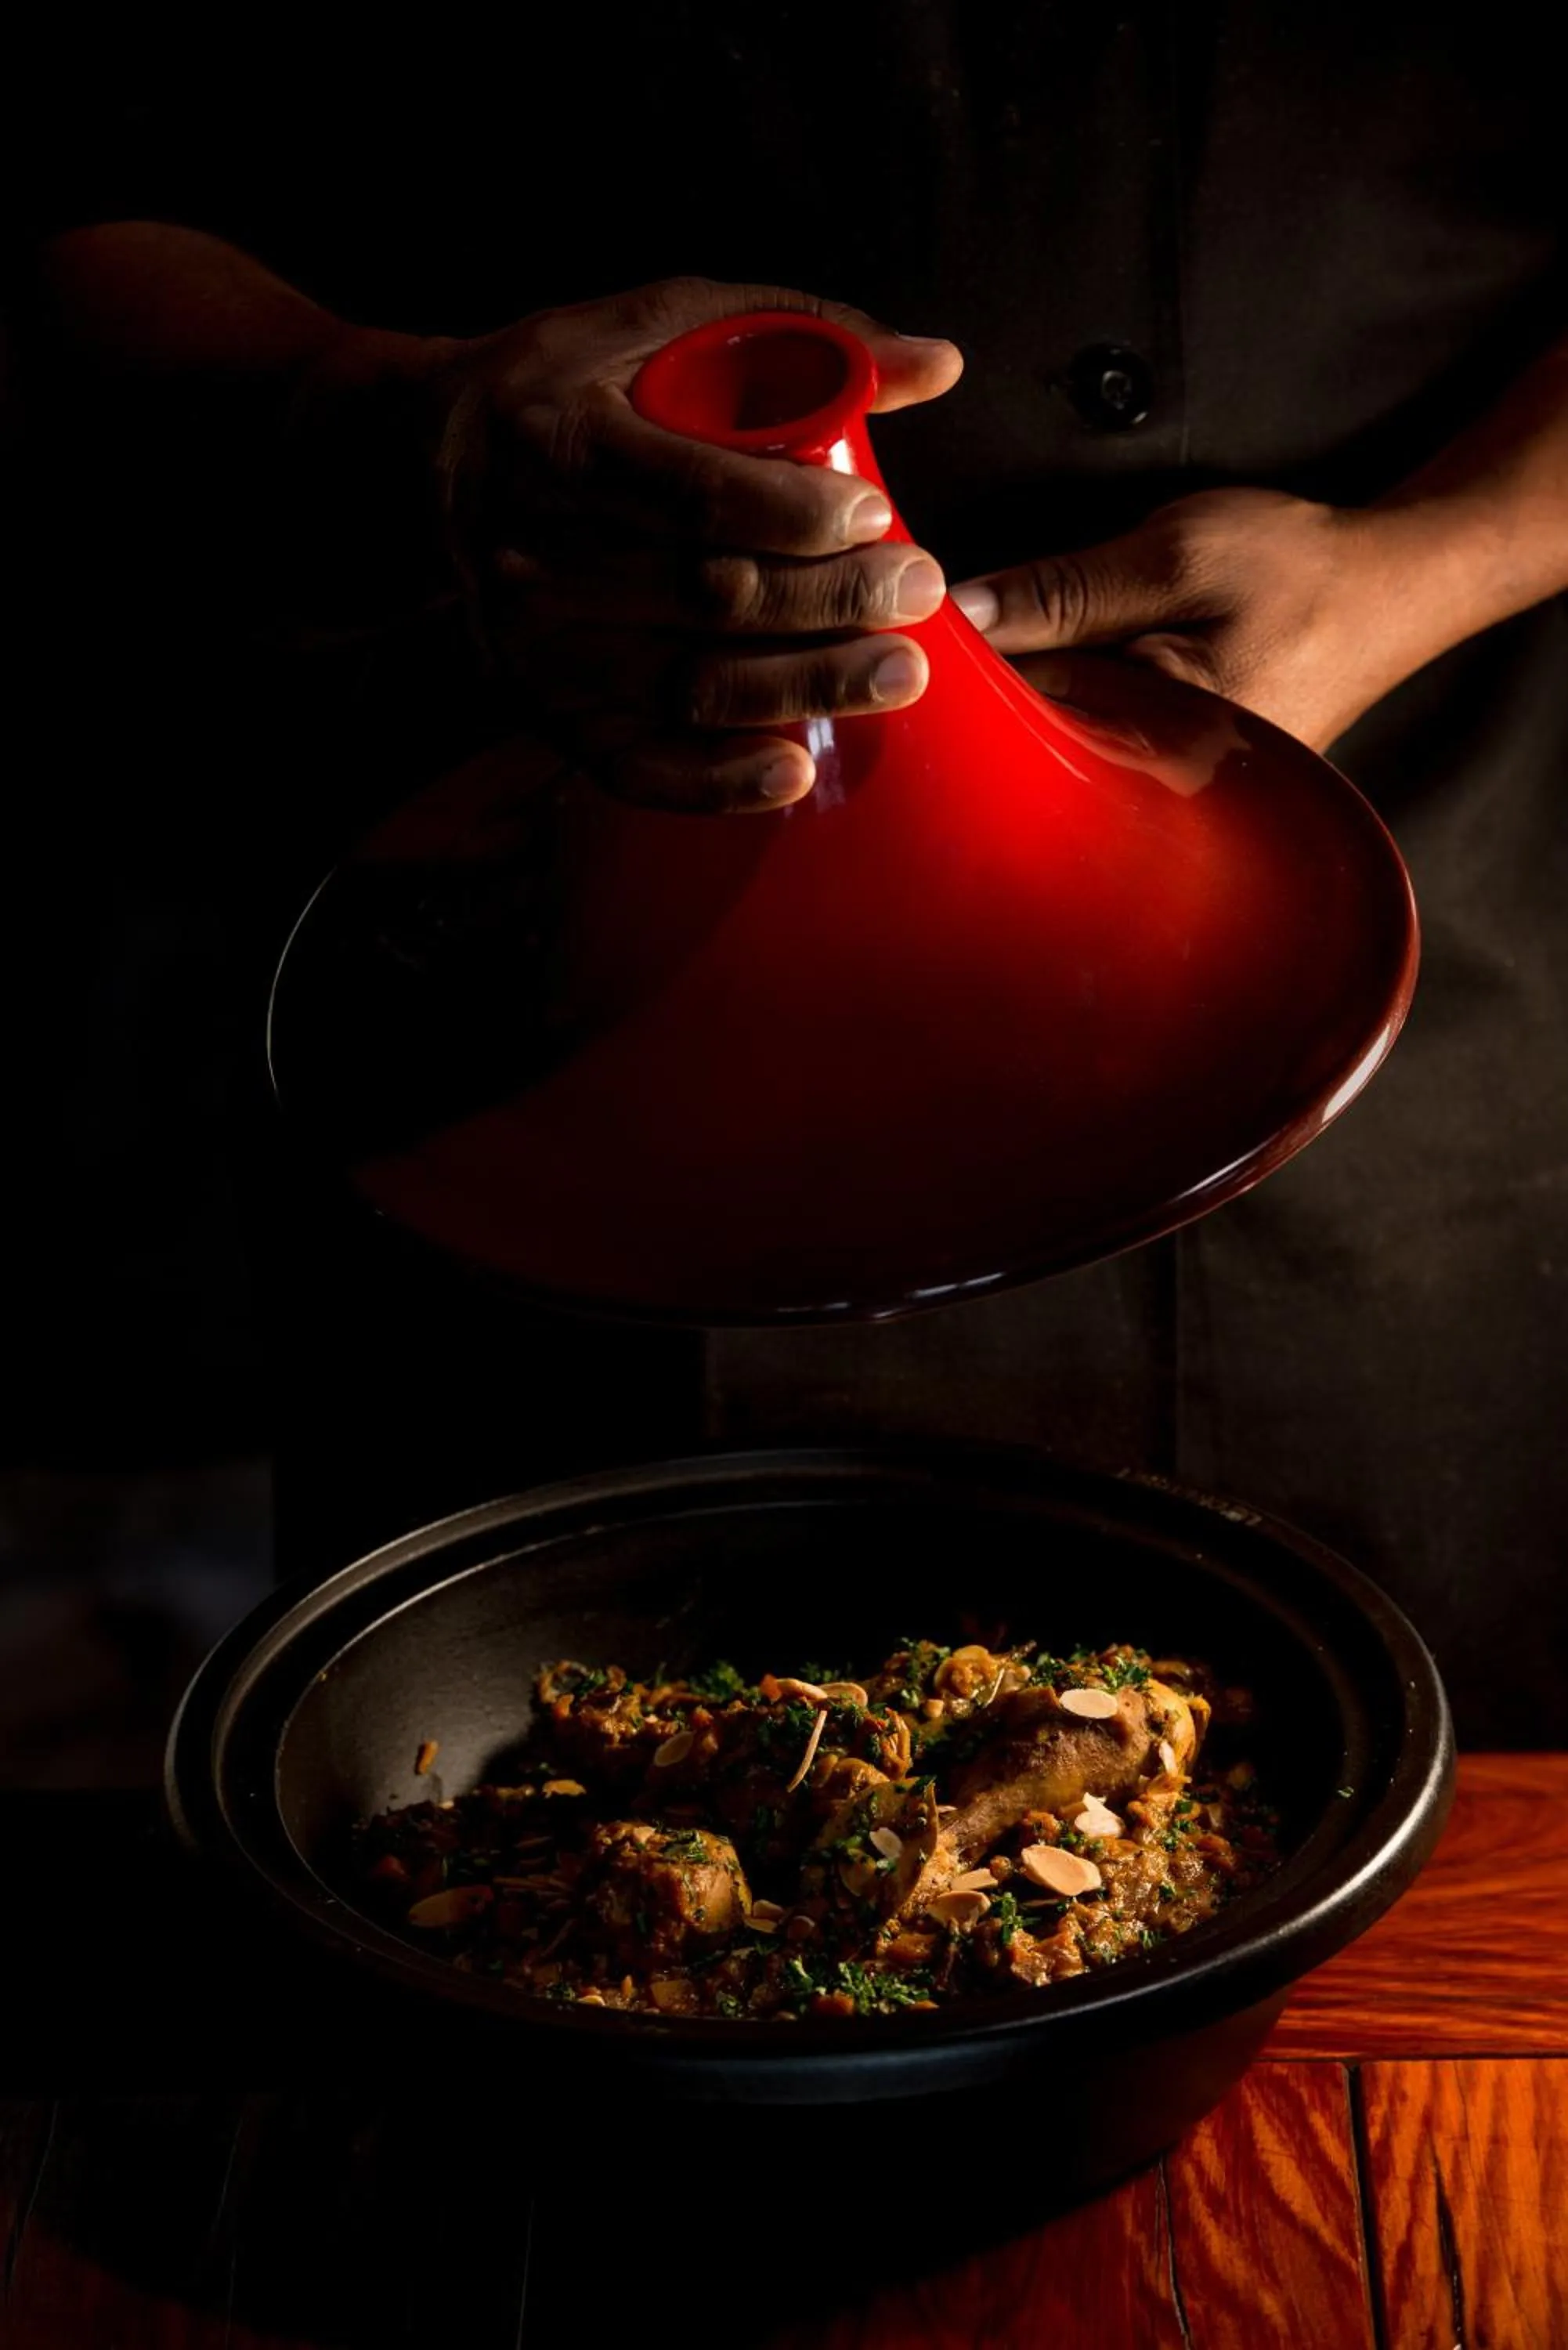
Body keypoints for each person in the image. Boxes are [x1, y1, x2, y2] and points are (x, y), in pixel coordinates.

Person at [8, 13, 1566, 1741]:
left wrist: (1432, 556)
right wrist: (407, 431)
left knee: (1427, 1868)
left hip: (1399, 971)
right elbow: (80, 215)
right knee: (563, 1856)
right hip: (563, 1027)